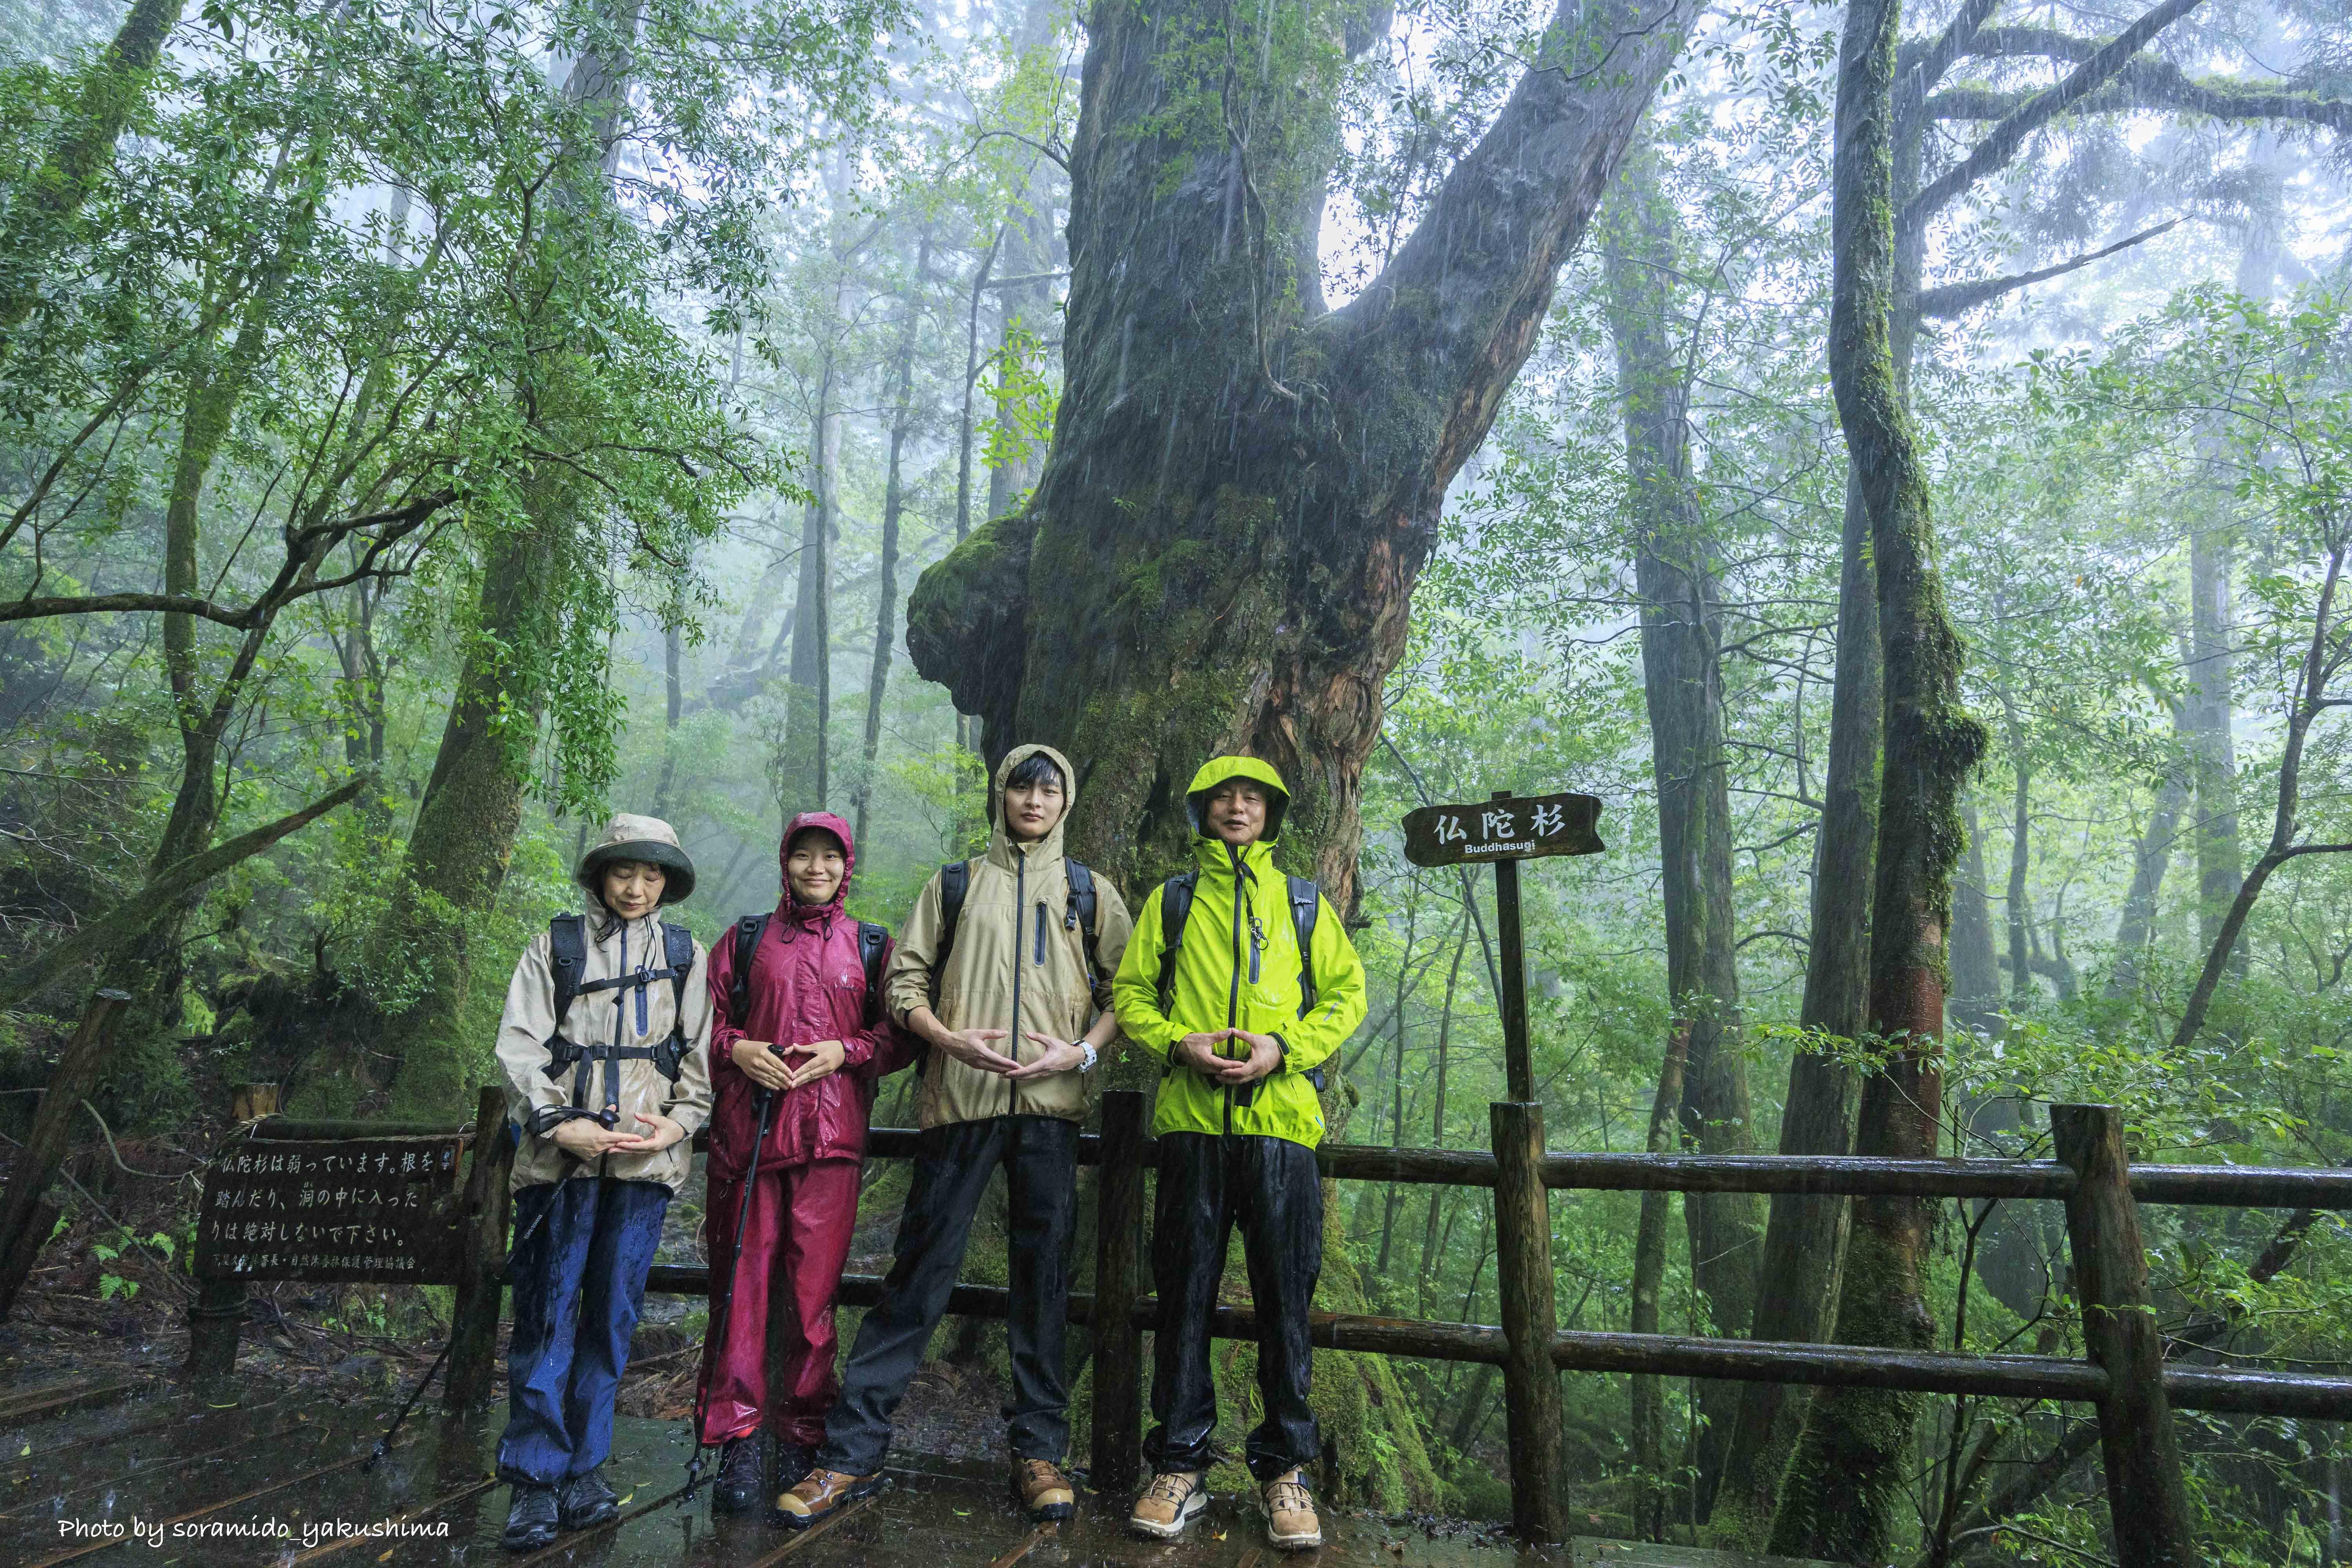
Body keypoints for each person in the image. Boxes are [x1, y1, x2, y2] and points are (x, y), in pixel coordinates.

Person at [777, 744, 1133, 1529]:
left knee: (1041, 1282)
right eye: (1021, 786)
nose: (1034, 800)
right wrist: (947, 1037)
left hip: (1049, 1108)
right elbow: (901, 984)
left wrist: (1080, 1051)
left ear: (1065, 800)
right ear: (1001, 794)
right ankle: (852, 1451)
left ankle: (1039, 1449)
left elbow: (1128, 989)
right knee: (917, 1277)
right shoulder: (955, 883)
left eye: (1048, 789)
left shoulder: (1091, 891)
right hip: (959, 1100)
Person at [1111, 757, 1367, 1551]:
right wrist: (1175, 1042)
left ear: (1272, 813)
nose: (1236, 806)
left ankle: (1285, 1469)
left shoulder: (1301, 902)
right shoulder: (1174, 899)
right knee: (1183, 1291)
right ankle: (1180, 1463)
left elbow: (1347, 994)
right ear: (1202, 809)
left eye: (1251, 797)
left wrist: (1283, 1047)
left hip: (1283, 1128)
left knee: (1285, 1300)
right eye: (1222, 796)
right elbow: (1131, 994)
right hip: (1191, 1124)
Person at [492, 813, 714, 1552]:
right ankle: (533, 1476)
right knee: (548, 1314)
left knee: (611, 1319)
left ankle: (585, 1468)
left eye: (653, 875)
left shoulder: (686, 956)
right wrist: (560, 1124)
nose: (638, 887)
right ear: (601, 873)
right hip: (563, 1164)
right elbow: (519, 1048)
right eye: (626, 871)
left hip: (643, 1168)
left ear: (668, 884)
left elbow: (698, 1070)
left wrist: (676, 1127)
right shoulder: (554, 945)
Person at [695, 812, 910, 1512]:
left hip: (833, 1145)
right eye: (803, 856)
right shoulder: (748, 939)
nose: (816, 869)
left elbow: (897, 1037)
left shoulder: (871, 945)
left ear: (847, 866)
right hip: (750, 1141)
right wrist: (739, 1049)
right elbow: (700, 1026)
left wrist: (843, 1052)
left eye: (829, 858)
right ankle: (737, 1440)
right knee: (743, 1290)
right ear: (784, 862)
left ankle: (802, 1435)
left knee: (813, 1302)